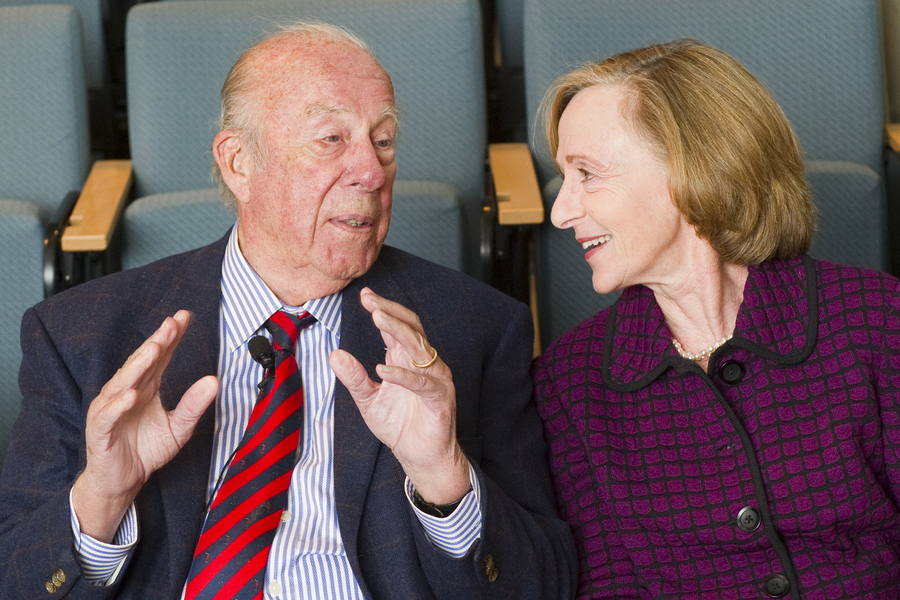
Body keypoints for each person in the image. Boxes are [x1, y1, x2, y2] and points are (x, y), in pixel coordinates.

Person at [0, 22, 576, 599]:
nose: (372, 173)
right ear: (239, 163)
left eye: (384, 140)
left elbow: (542, 584)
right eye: (331, 139)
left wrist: (444, 479)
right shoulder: (81, 335)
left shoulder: (474, 330)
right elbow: (19, 582)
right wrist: (101, 496)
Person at [532, 39, 900, 599]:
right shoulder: (570, 379)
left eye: (588, 173)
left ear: (691, 167)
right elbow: (609, 585)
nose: (561, 211)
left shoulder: (878, 320)